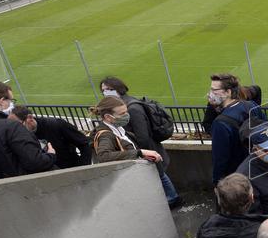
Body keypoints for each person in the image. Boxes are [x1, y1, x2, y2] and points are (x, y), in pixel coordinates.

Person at [99, 76, 181, 207]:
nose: (105, 92)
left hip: (147, 149)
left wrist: (142, 153)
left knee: (160, 175)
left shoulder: (132, 108)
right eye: (104, 90)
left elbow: (142, 136)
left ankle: (173, 198)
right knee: (160, 175)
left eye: (109, 89)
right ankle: (172, 197)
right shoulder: (125, 105)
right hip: (143, 150)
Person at [207, 73, 262, 186]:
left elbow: (220, 160)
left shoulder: (220, 123)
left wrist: (217, 182)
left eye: (214, 90)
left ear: (228, 92)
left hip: (238, 177)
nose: (210, 94)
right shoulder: (251, 105)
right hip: (259, 168)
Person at [88, 97, 164, 166]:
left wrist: (141, 154)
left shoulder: (119, 129)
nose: (127, 115)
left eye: (126, 112)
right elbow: (104, 156)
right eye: (122, 113)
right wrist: (140, 152)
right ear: (108, 117)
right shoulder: (105, 135)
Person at [12, 106, 91, 169]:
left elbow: (84, 144)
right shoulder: (22, 135)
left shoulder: (57, 125)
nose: (17, 130)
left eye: (19, 125)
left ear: (30, 118)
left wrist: (83, 168)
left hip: (69, 169)